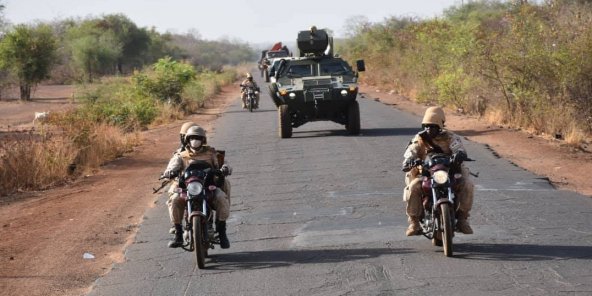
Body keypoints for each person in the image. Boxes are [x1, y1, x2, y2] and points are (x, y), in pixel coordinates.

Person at [401, 106, 474, 236]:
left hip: (448, 171)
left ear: (440, 125)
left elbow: (459, 148)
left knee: (467, 184)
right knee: (413, 187)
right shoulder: (420, 138)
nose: (429, 129)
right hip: (426, 173)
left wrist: (459, 154)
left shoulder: (450, 137)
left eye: (433, 126)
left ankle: (462, 219)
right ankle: (414, 222)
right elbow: (411, 150)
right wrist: (409, 160)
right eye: (427, 126)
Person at [162, 125, 232, 248]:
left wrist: (225, 169)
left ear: (203, 140)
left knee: (221, 198)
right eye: (192, 138)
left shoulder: (212, 153)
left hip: (207, 187)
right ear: (188, 140)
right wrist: (169, 172)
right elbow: (171, 167)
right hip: (188, 188)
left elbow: (224, 165)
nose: (195, 140)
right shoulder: (181, 155)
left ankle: (222, 232)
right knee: (174, 200)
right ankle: (178, 233)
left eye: (198, 138)